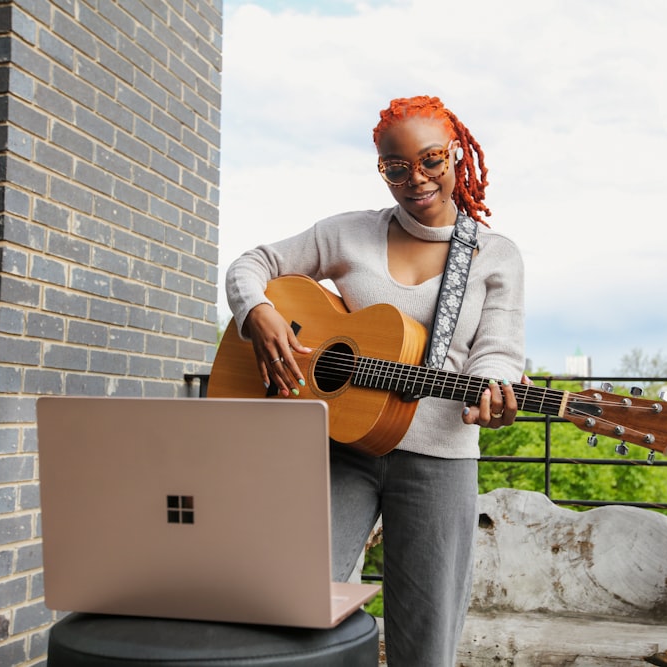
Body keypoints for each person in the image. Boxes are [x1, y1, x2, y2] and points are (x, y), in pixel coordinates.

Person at [224, 95, 526, 666]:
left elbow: (499, 352)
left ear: (456, 153)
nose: (417, 179)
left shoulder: (494, 255)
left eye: (432, 160)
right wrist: (257, 313)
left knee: (426, 638)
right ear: (381, 169)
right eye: (396, 167)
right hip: (340, 447)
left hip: (440, 455)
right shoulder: (347, 234)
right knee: (301, 607)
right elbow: (250, 264)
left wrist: (492, 386)